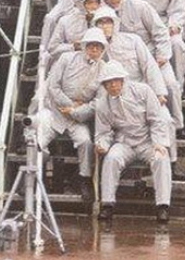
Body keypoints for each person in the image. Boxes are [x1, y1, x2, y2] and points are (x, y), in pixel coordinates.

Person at [35, 28, 107, 205]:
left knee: (85, 142)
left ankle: (84, 180)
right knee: (37, 143)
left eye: (98, 47)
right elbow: (53, 86)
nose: (94, 50)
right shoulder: (66, 58)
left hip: (77, 118)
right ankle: (33, 178)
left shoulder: (104, 69)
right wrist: (67, 105)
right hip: (54, 112)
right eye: (91, 46)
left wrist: (76, 112)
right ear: (84, 46)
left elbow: (98, 101)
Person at [95, 61, 173, 224]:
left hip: (147, 140)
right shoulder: (103, 103)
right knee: (111, 159)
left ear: (123, 80)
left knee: (161, 158)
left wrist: (158, 142)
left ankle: (163, 206)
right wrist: (102, 144)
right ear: (104, 85)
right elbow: (104, 131)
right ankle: (107, 204)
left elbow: (157, 119)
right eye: (108, 82)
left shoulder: (143, 91)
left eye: (116, 80)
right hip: (124, 142)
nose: (113, 85)